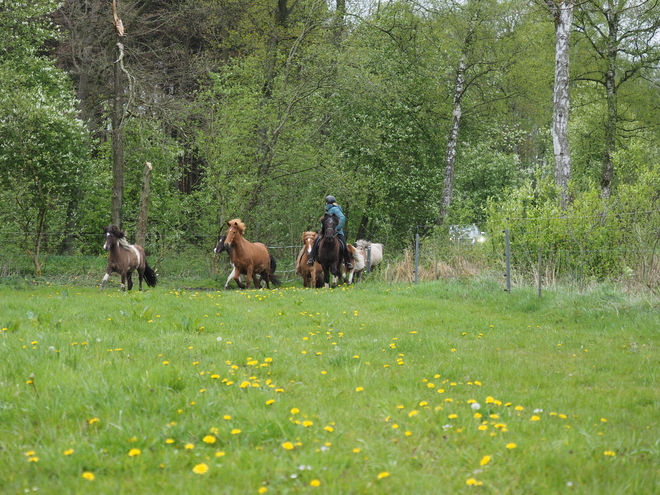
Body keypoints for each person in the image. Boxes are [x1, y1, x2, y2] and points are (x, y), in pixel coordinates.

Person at [307, 195, 353, 270]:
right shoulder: (329, 210)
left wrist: (337, 228)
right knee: (317, 240)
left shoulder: (335, 209)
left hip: (336, 232)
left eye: (326, 202)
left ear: (327, 203)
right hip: (326, 232)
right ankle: (311, 258)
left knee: (343, 245)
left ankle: (347, 262)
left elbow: (342, 218)